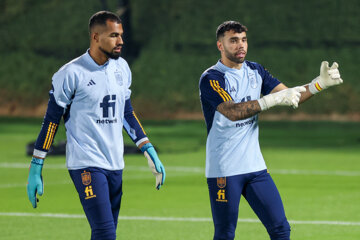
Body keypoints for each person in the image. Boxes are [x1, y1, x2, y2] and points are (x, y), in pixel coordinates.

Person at [26, 11, 166, 240]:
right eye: (113, 35)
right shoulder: (71, 73)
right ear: (95, 37)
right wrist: (36, 165)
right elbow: (52, 120)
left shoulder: (121, 68)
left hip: (115, 163)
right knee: (105, 232)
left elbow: (126, 113)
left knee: (107, 232)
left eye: (120, 35)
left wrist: (147, 148)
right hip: (86, 164)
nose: (120, 41)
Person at [199, 21, 342, 240]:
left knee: (280, 228)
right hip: (224, 169)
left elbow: (290, 95)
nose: (241, 45)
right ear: (220, 45)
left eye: (244, 40)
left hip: (255, 167)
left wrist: (318, 84)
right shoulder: (212, 78)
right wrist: (270, 100)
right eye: (234, 40)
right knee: (225, 233)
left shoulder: (255, 70)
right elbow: (233, 111)